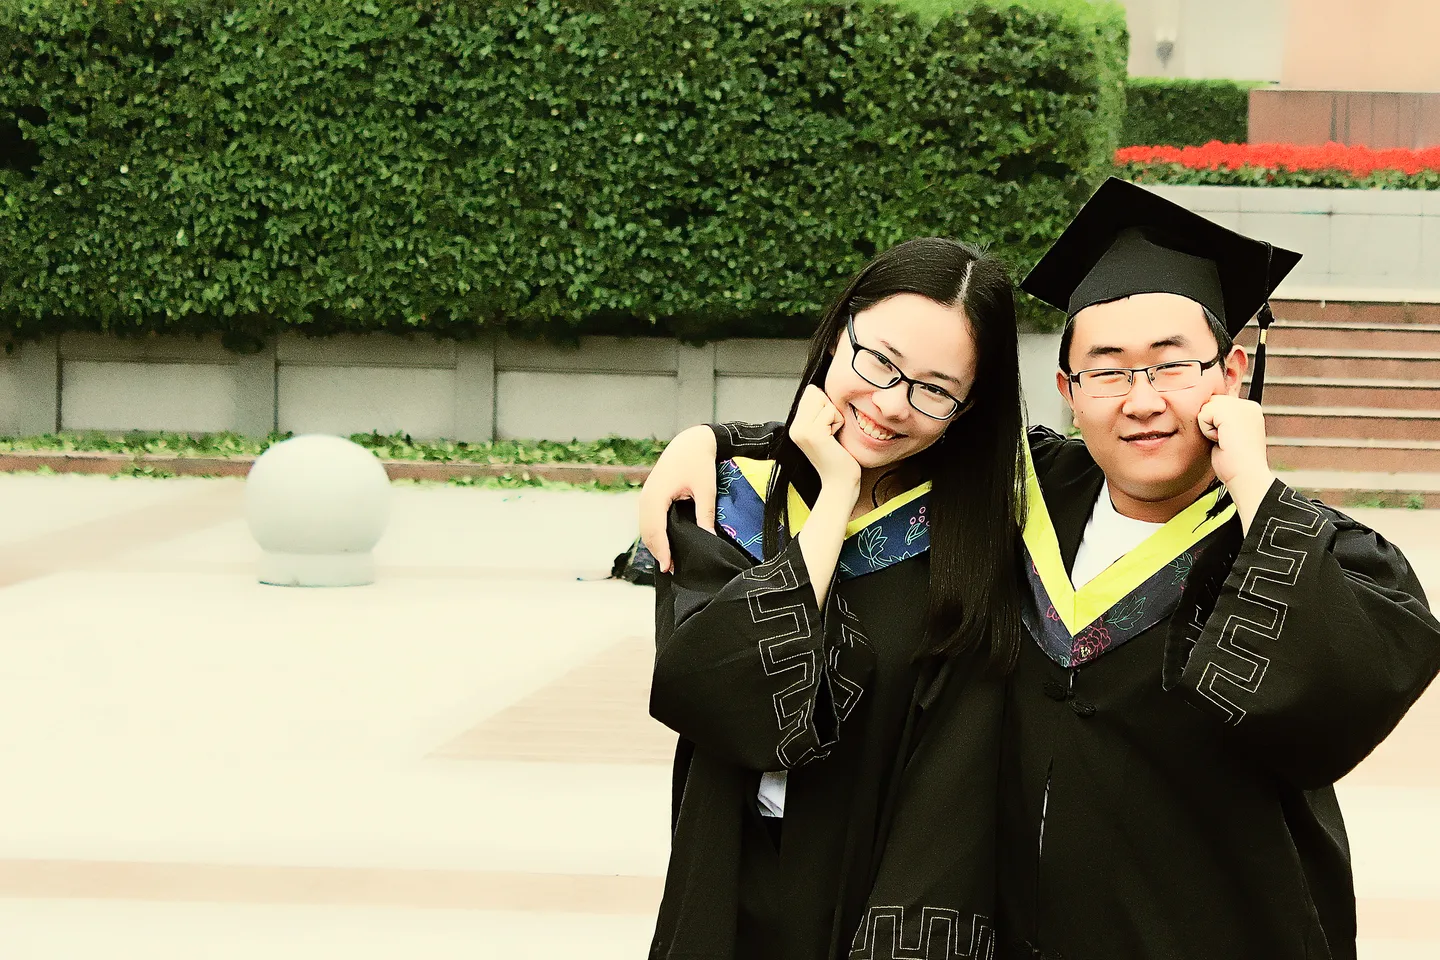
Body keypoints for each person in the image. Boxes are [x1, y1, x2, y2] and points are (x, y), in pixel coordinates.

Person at [640, 179, 1440, 960]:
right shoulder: (1032, 496)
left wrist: (1255, 485)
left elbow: (1338, 710)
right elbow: (896, 425)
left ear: (1230, 376)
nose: (1141, 400)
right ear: (1068, 392)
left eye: (1171, 366)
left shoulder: (1305, 549)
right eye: (1107, 370)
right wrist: (713, 439)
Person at [647, 237, 1027, 960]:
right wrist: (833, 495)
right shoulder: (727, 497)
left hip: (874, 897)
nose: (890, 404)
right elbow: (712, 694)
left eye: (935, 390)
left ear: (969, 406)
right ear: (837, 334)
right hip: (725, 875)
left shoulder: (976, 543)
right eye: (878, 360)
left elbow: (956, 786)